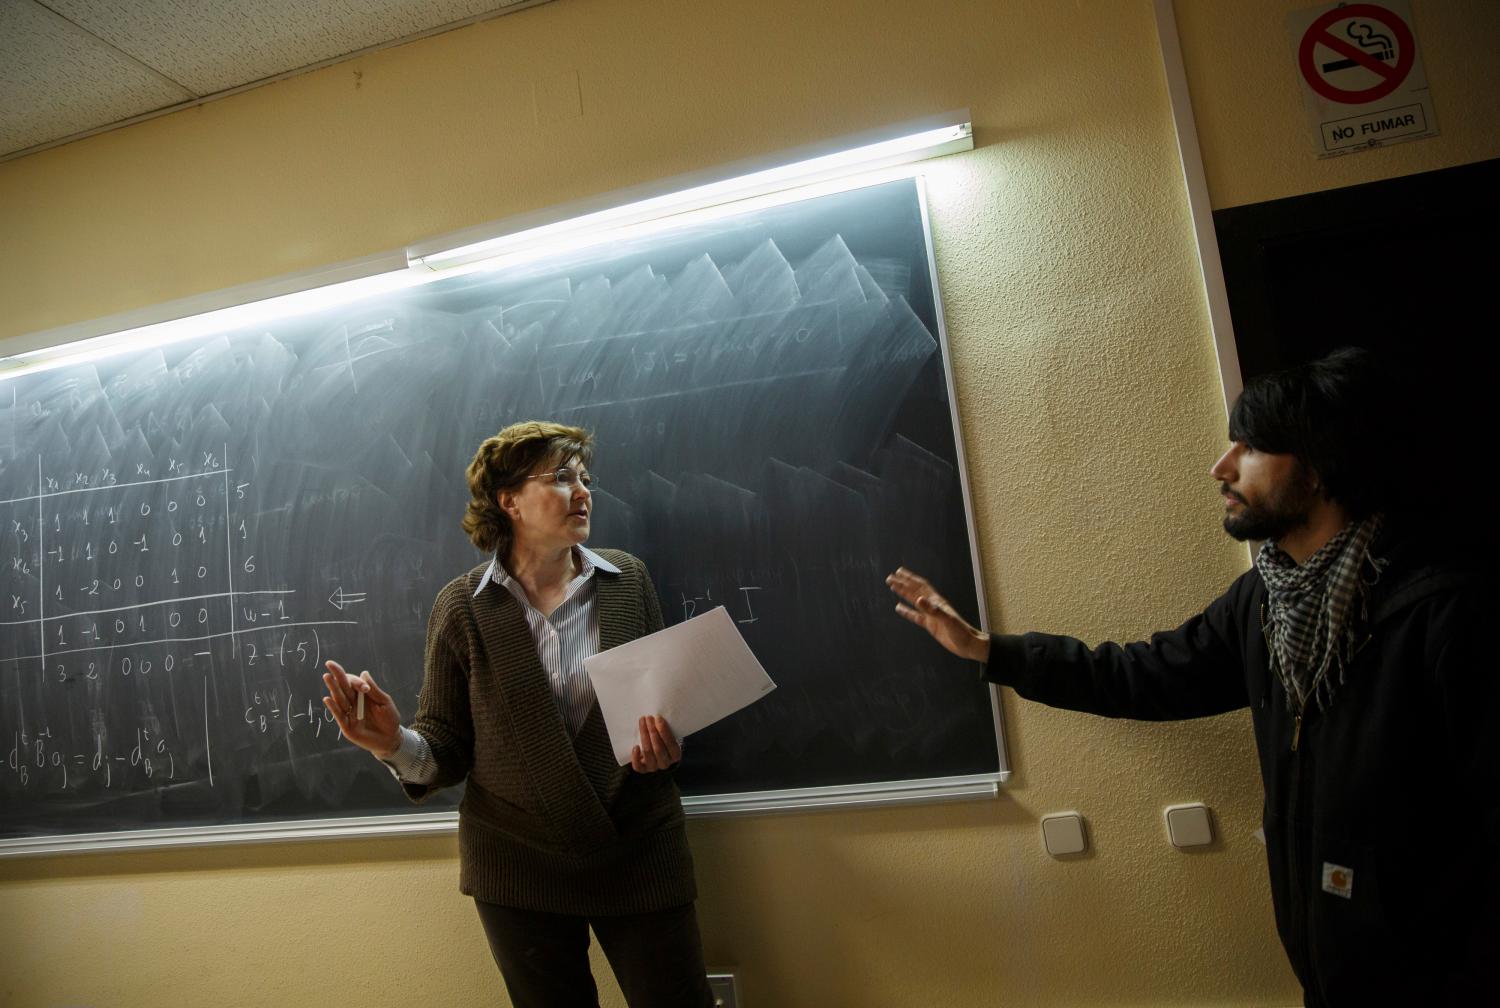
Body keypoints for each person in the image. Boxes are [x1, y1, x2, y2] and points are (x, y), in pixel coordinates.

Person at [886, 348, 1497, 1006]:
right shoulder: (1265, 603)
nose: (1222, 467)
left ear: (1319, 467)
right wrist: (985, 649)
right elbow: (1139, 677)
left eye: (1252, 448)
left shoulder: (1442, 613)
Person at [321, 420, 714, 1008]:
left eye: (585, 478)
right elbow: (446, 748)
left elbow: (657, 708)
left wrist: (664, 744)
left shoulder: (628, 581)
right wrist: (390, 741)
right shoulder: (462, 607)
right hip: (517, 864)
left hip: (638, 848)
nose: (582, 492)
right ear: (508, 501)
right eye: (560, 479)